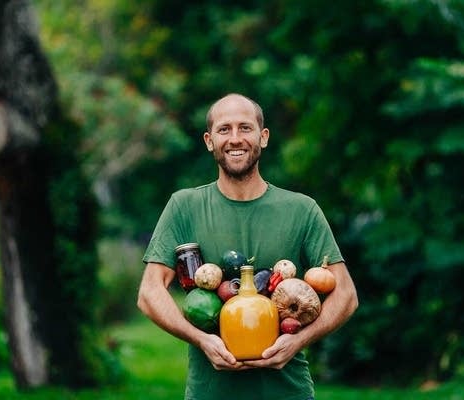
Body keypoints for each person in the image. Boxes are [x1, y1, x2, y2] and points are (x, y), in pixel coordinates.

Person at [137, 93, 358, 400]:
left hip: (287, 391)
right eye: (224, 129)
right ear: (209, 140)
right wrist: (201, 339)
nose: (235, 138)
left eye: (245, 127)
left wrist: (298, 341)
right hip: (210, 393)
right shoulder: (184, 206)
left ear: (263, 137)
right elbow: (149, 293)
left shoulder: (301, 209)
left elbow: (346, 295)